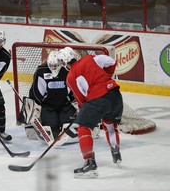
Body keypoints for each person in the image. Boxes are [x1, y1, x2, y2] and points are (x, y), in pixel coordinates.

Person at [58, 47, 123, 178]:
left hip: (98, 100)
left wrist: (84, 113)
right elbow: (111, 62)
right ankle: (116, 152)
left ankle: (89, 163)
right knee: (110, 125)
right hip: (115, 95)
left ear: (65, 63)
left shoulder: (70, 77)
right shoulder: (90, 58)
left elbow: (82, 100)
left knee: (83, 127)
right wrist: (106, 79)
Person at [27, 50, 77, 140]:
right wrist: (34, 107)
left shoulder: (66, 71)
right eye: (51, 65)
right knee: (52, 127)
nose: (54, 68)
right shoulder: (41, 71)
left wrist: (77, 103)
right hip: (48, 106)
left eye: (56, 66)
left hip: (64, 105)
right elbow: (36, 91)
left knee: (69, 125)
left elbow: (72, 91)